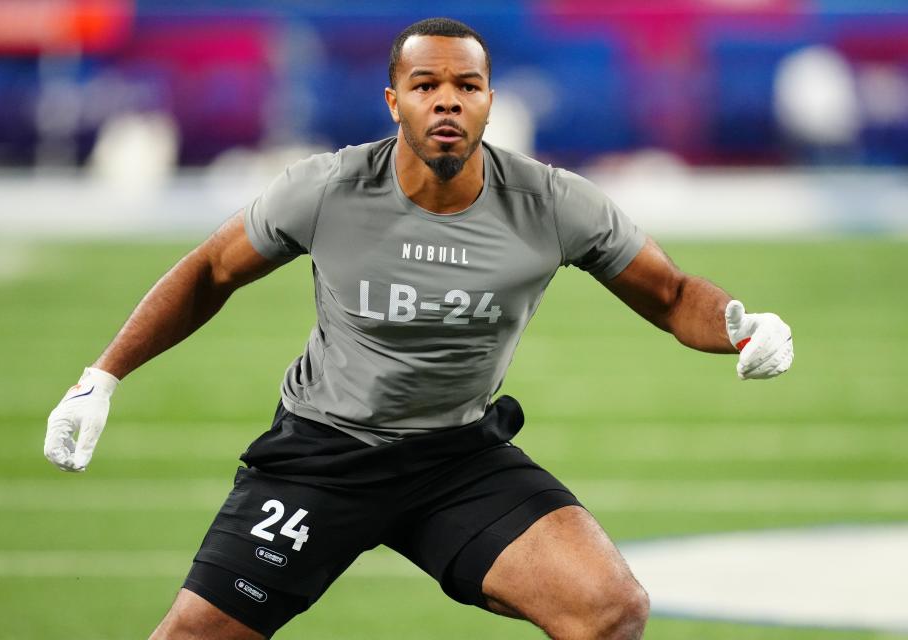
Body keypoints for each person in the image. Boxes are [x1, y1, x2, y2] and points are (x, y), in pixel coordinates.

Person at [44, 17, 793, 640]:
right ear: (393, 100)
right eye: (425, 85)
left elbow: (668, 294)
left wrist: (740, 326)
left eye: (465, 86)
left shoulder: (553, 203)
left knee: (610, 610)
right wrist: (100, 377)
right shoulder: (328, 188)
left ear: (491, 102)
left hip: (455, 457)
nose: (446, 102)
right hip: (324, 456)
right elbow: (210, 270)